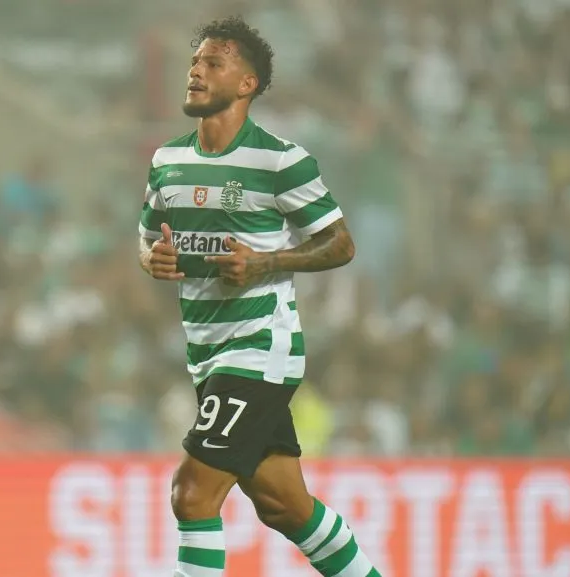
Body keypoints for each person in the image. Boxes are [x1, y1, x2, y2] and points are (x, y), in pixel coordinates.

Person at [137, 16, 381, 577]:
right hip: (206, 353)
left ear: (246, 84)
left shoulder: (280, 161)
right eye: (195, 62)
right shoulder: (167, 161)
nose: (196, 72)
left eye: (213, 63)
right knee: (284, 506)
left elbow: (339, 244)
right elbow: (149, 242)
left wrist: (266, 261)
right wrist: (153, 259)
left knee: (191, 494)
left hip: (258, 348)